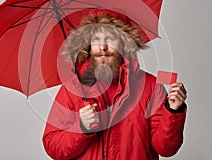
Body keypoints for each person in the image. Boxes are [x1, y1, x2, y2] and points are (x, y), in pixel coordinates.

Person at [42, 10, 187, 160]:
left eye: (110, 38)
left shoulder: (150, 86)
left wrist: (172, 111)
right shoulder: (73, 88)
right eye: (96, 39)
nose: (103, 47)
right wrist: (82, 128)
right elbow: (53, 146)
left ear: (125, 42)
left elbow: (165, 149)